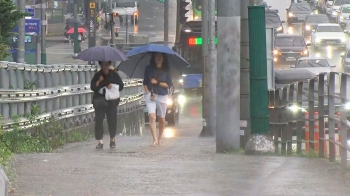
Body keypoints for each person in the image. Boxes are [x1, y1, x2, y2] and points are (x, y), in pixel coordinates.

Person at [90, 61, 124, 149]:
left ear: (109, 65)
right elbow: (93, 87)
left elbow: (121, 86)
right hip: (100, 101)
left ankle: (112, 139)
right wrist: (99, 81)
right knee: (99, 120)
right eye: (103, 65)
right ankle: (100, 141)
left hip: (112, 101)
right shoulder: (98, 75)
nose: (105, 67)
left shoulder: (114, 75)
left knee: (112, 119)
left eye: (106, 65)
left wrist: (111, 86)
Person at [143, 53, 173, 147]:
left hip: (162, 95)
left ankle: (160, 138)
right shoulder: (149, 68)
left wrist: (157, 82)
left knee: (162, 119)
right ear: (154, 58)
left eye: (161, 56)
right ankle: (154, 139)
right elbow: (145, 82)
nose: (159, 58)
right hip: (151, 95)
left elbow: (168, 85)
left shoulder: (166, 70)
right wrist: (147, 91)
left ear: (163, 58)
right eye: (157, 56)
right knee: (152, 116)